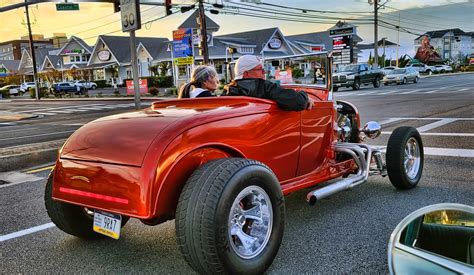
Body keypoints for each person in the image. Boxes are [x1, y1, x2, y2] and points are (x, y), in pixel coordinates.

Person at [223, 55, 313, 111]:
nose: (264, 72)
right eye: (260, 69)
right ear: (246, 73)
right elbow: (297, 101)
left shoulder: (228, 90)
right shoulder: (263, 86)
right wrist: (305, 96)